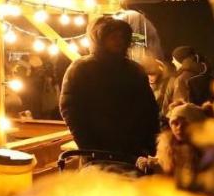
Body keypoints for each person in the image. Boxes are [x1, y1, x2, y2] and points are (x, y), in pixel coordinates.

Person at [59, 15, 159, 163]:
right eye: (112, 36)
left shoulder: (134, 70)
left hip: (133, 151)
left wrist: (150, 144)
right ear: (99, 40)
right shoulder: (81, 68)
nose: (119, 40)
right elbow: (71, 109)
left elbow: (149, 109)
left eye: (121, 36)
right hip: (97, 152)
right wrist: (88, 147)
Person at [137, 102, 211, 177]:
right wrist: (148, 164)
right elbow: (161, 163)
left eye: (186, 124)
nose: (179, 128)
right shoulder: (168, 144)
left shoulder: (206, 150)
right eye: (175, 123)